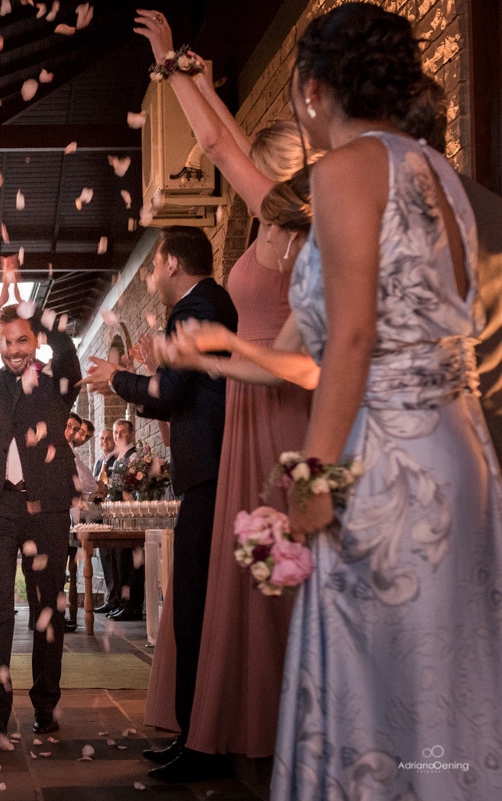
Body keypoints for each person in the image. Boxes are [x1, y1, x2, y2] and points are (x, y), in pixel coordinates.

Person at [274, 5, 502, 799]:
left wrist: (312, 480)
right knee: (449, 675)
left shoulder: (344, 169)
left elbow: (354, 337)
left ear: (310, 90)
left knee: (381, 683)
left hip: (391, 459)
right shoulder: (441, 174)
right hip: (460, 446)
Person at [131, 8, 318, 768]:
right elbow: (215, 142)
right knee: (235, 578)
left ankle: (282, 723)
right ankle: (228, 723)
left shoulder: (309, 234)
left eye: (265, 169)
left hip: (284, 407)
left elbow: (306, 357)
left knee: (272, 569)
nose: (249, 174)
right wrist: (177, 70)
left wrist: (219, 350)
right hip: (244, 400)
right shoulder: (267, 216)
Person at [82, 226, 237, 782]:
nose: (150, 277)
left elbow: (170, 396)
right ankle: (195, 736)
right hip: (209, 470)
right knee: (191, 607)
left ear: (170, 262)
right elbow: (175, 399)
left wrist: (115, 378)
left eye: (152, 269)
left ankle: (202, 745)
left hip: (210, 473)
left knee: (195, 607)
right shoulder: (210, 303)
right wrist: (132, 380)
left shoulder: (194, 309)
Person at [0, 274, 82, 749]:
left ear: (35, 341)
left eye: (21, 340)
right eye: (5, 342)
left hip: (47, 508)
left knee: (47, 609)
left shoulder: (58, 382)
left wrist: (35, 312)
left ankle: (46, 706)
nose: (13, 349)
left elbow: (67, 350)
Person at [96, 420, 144, 622]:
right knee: (121, 562)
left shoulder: (134, 456)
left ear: (131, 434)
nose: (117, 436)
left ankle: (132, 606)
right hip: (117, 513)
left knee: (131, 563)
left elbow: (136, 484)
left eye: (122, 432)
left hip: (130, 514)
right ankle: (123, 603)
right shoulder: (118, 458)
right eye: (115, 432)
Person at [64, 415, 97, 632]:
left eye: (82, 432)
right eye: (74, 428)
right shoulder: (63, 449)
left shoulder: (70, 450)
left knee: (67, 567)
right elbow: (80, 481)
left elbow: (84, 481)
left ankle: (62, 616)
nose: (78, 435)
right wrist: (93, 488)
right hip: (61, 512)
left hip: (71, 514)